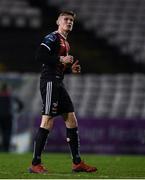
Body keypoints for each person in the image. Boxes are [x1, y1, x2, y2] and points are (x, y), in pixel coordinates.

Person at [29, 11, 97, 173]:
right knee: (47, 121)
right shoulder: (52, 37)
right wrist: (61, 59)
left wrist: (69, 68)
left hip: (58, 82)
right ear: (58, 21)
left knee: (71, 120)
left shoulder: (65, 43)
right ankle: (35, 163)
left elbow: (57, 65)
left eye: (71, 20)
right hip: (50, 81)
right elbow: (40, 56)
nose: (69, 22)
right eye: (66, 19)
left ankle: (77, 162)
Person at [0, 82, 23, 152]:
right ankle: (6, 148)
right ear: (7, 89)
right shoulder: (11, 96)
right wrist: (17, 111)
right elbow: (21, 104)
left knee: (3, 132)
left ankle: (3, 147)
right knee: (7, 132)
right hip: (8, 116)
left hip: (0, 116)